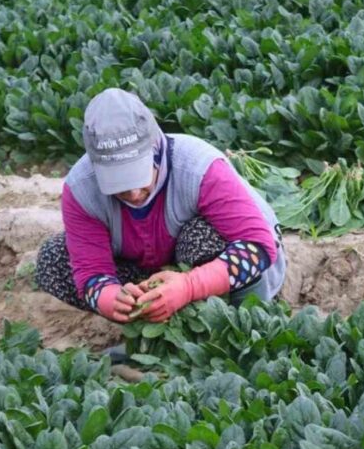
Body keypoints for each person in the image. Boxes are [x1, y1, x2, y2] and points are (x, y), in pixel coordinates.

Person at [35, 88, 287, 342]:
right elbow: (90, 272)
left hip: (241, 273)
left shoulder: (199, 167)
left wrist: (189, 286)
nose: (133, 194)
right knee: (54, 258)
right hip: (149, 269)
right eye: (119, 184)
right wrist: (111, 297)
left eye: (138, 176)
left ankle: (230, 332)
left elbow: (259, 248)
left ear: (154, 147)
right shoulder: (81, 189)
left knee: (200, 236)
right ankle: (163, 334)